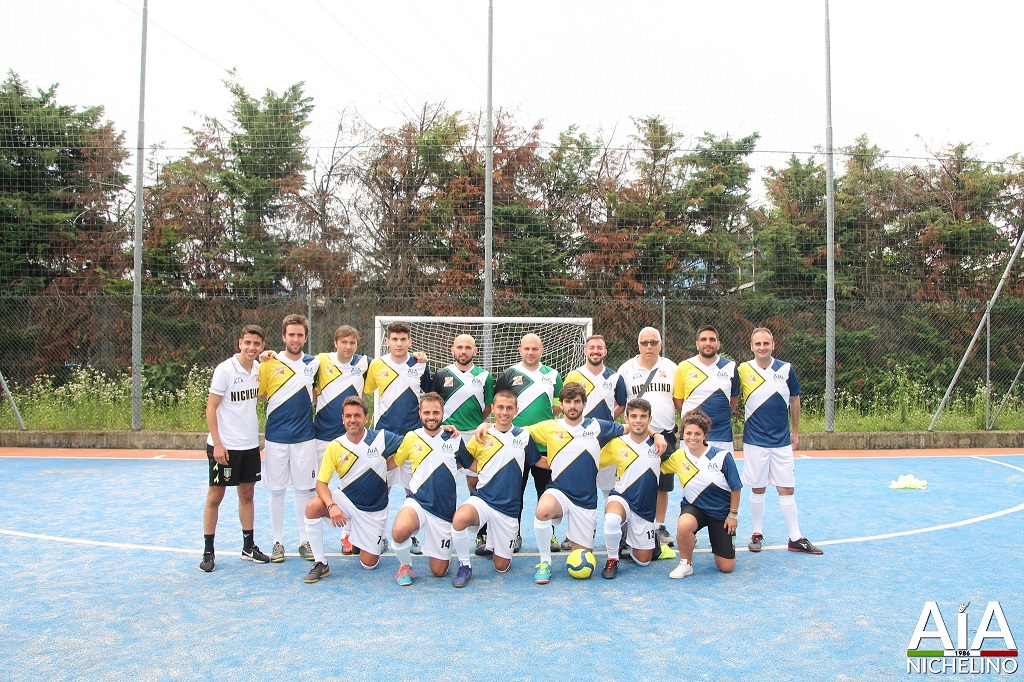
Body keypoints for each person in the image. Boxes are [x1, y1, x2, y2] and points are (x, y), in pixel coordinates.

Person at [476, 382, 666, 585]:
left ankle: (631, 538)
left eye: (577, 401)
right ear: (562, 405)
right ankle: (545, 562)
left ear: (584, 403)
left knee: (583, 556)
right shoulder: (550, 426)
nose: (572, 406)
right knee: (543, 510)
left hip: (585, 501)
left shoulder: (597, 426)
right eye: (568, 402)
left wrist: (656, 434)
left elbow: (633, 427)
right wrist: (486, 425)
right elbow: (512, 428)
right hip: (559, 491)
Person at [300, 396, 404, 584]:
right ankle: (320, 562)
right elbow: (321, 484)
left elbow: (413, 441)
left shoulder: (381, 438)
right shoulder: (335, 446)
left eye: (357, 415)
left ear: (366, 417)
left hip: (374, 512)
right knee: (313, 506)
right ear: (342, 419)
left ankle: (362, 540)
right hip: (346, 503)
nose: (352, 420)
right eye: (348, 416)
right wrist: (331, 506)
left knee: (368, 564)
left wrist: (443, 430)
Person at [738, 327, 822, 555]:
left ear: (773, 345)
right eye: (758, 344)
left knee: (787, 488)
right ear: (752, 346)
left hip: (782, 442)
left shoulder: (786, 369)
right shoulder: (743, 370)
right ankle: (756, 533)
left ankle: (795, 537)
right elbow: (733, 398)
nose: (762, 348)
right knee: (757, 487)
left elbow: (795, 399)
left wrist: (795, 431)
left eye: (766, 343)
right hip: (754, 441)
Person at [449, 390, 542, 587]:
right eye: (500, 407)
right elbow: (468, 462)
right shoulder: (482, 435)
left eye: (509, 408)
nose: (504, 412)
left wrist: (564, 462)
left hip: (508, 509)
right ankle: (464, 565)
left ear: (516, 410)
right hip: (483, 498)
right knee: (459, 519)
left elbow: (538, 461)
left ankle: (492, 544)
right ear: (493, 409)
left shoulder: (524, 436)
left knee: (501, 567)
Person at [200, 324, 271, 572]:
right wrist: (218, 444)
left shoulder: (259, 370)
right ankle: (208, 550)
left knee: (247, 495)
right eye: (247, 343)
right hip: (225, 447)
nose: (251, 347)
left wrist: (272, 360)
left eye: (257, 344)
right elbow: (211, 408)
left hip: (249, 445)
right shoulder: (225, 370)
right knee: (215, 497)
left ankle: (248, 546)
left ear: (262, 346)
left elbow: (264, 394)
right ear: (239, 343)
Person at [390, 392, 472, 586]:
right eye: (427, 412)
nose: (431, 417)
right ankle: (405, 565)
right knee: (399, 531)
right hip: (418, 501)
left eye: (436, 412)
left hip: (443, 512)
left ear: (443, 413)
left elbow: (468, 463)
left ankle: (443, 548)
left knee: (439, 572)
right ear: (420, 414)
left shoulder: (454, 438)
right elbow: (396, 461)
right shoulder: (411, 437)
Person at [364, 320, 431, 554]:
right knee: (382, 487)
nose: (399, 343)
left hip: (412, 435)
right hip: (384, 436)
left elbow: (430, 394)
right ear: (387, 341)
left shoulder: (420, 364)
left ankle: (410, 536)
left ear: (410, 341)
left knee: (412, 488)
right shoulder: (377, 365)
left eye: (403, 339)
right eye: (394, 339)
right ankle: (378, 535)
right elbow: (364, 392)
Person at [493, 333, 563, 554]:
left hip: (545, 445)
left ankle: (549, 532)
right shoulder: (508, 374)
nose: (530, 352)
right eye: (526, 349)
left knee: (547, 491)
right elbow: (499, 405)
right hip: (516, 444)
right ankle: (514, 533)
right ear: (520, 350)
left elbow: (559, 405)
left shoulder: (553, 375)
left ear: (541, 350)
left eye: (535, 349)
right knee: (515, 492)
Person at [260, 314, 320, 564]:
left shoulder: (315, 363)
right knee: (276, 491)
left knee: (303, 490)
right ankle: (277, 541)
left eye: (300, 335)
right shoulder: (268, 364)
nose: (295, 339)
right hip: (276, 438)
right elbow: (263, 395)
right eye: (291, 334)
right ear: (283, 336)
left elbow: (318, 394)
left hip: (306, 437)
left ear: (306, 337)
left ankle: (304, 539)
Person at [563, 334, 627, 551]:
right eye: (592, 347)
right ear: (585, 351)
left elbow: (622, 404)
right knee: (579, 489)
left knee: (609, 489)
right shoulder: (574, 374)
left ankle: (615, 532)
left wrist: (607, 420)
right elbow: (567, 403)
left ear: (605, 351)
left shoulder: (615, 377)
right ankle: (572, 534)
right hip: (579, 442)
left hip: (606, 442)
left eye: (600, 347)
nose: (595, 351)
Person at [618, 327, 678, 550]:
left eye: (654, 342)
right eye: (645, 343)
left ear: (661, 344)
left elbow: (679, 400)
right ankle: (629, 527)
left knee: (662, 485)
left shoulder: (672, 368)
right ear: (638, 344)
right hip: (636, 437)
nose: (649, 347)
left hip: (665, 435)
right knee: (633, 482)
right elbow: (621, 403)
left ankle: (659, 526)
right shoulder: (626, 369)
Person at [662, 409, 742, 578]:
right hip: (694, 508)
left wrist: (732, 515)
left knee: (726, 566)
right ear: (683, 434)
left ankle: (720, 541)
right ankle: (686, 563)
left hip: (720, 512)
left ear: (704, 434)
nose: (692, 437)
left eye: (697, 433)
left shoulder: (722, 456)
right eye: (688, 433)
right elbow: (658, 466)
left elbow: (736, 487)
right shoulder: (678, 456)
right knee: (684, 525)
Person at [312, 325, 369, 556]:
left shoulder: (365, 363)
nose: (348, 347)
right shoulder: (319, 361)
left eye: (352, 343)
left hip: (352, 436)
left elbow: (393, 362)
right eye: (343, 342)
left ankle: (349, 535)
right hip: (322, 435)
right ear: (335, 343)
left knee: (351, 486)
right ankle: (310, 539)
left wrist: (418, 357)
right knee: (317, 487)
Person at [597, 398, 663, 579]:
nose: (638, 420)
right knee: (611, 518)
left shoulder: (660, 446)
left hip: (645, 507)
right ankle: (613, 559)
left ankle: (632, 538)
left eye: (643, 416)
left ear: (650, 419)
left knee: (643, 562)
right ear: (626, 418)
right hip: (622, 498)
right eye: (633, 416)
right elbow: (593, 463)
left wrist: (657, 435)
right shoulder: (616, 443)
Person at [673, 325, 738, 454]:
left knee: (721, 473)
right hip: (692, 435)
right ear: (697, 344)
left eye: (712, 339)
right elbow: (678, 401)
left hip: (722, 435)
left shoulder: (730, 366)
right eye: (703, 339)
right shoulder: (684, 366)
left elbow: (733, 400)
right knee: (691, 474)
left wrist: (720, 415)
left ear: (718, 344)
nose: (708, 343)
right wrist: (694, 418)